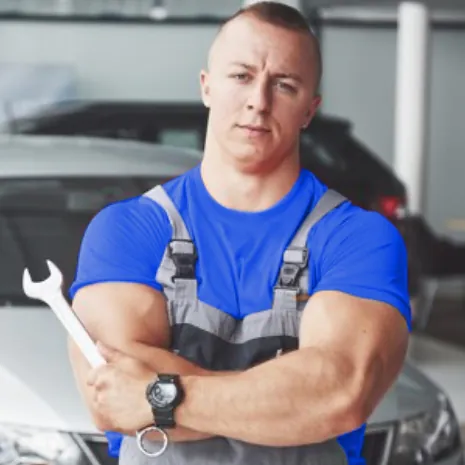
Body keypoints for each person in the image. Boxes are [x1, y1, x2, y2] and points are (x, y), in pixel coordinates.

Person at [68, 2, 411, 465]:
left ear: (310, 110)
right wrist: (287, 399)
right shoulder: (126, 230)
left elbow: (339, 393)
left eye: (284, 85)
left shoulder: (359, 238)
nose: (259, 101)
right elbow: (110, 398)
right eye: (241, 76)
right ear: (206, 86)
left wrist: (158, 398)